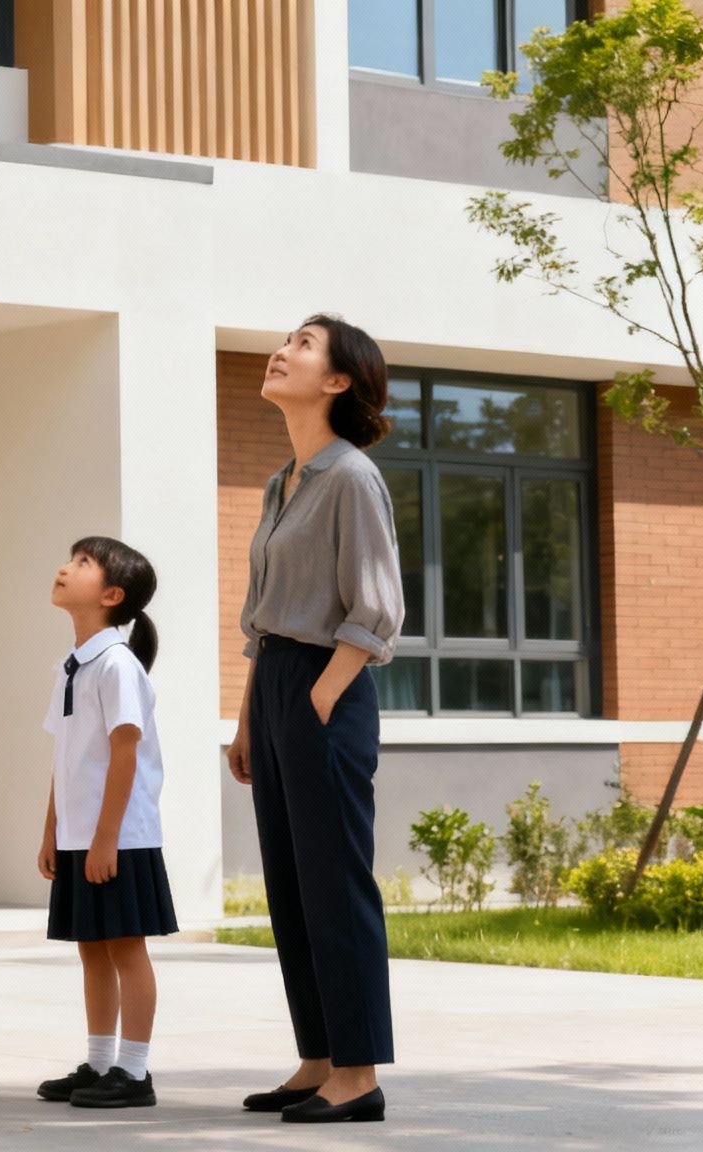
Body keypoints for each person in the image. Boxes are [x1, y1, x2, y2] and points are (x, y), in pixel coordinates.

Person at [226, 314, 404, 1125]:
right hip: (277, 685)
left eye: (302, 344)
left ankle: (359, 1075)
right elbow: (265, 614)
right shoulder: (282, 481)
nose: (281, 350)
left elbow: (376, 607)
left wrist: (323, 695)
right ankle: (319, 1057)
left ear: (338, 380)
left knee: (336, 884)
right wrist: (246, 718)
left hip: (325, 683)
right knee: (293, 888)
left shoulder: (350, 477)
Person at [34, 536, 177, 1111]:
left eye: (83, 564)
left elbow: (125, 751)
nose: (65, 568)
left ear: (112, 595)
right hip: (81, 837)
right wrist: (52, 832)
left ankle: (135, 1071)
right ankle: (99, 1063)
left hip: (119, 838)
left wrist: (105, 838)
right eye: (70, 558)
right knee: (92, 947)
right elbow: (64, 759)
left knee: (125, 947)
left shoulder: (116, 665)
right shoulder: (73, 665)